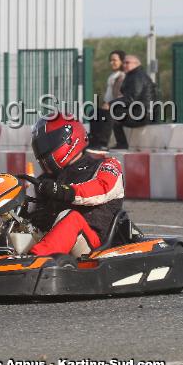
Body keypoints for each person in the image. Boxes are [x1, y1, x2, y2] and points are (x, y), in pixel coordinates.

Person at [26, 113, 124, 256]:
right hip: (49, 239)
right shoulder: (45, 180)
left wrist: (62, 191)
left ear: (70, 138)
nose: (43, 149)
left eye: (47, 143)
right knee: (9, 223)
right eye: (40, 145)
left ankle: (33, 262)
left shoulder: (105, 165)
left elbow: (102, 188)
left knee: (70, 217)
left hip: (94, 247)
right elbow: (26, 206)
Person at [108, 54, 157, 150]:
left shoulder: (137, 76)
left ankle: (119, 144)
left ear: (136, 64)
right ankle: (115, 143)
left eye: (127, 63)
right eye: (124, 63)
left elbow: (131, 98)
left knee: (111, 114)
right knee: (112, 112)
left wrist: (110, 104)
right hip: (139, 112)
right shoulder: (133, 75)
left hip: (142, 114)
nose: (124, 65)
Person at [88, 50, 126, 150]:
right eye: (110, 60)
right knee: (94, 112)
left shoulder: (123, 77)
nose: (111, 62)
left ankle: (102, 143)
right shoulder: (112, 76)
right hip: (110, 105)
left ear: (122, 61)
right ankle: (94, 140)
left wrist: (110, 104)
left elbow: (122, 96)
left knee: (108, 114)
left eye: (114, 60)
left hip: (119, 108)